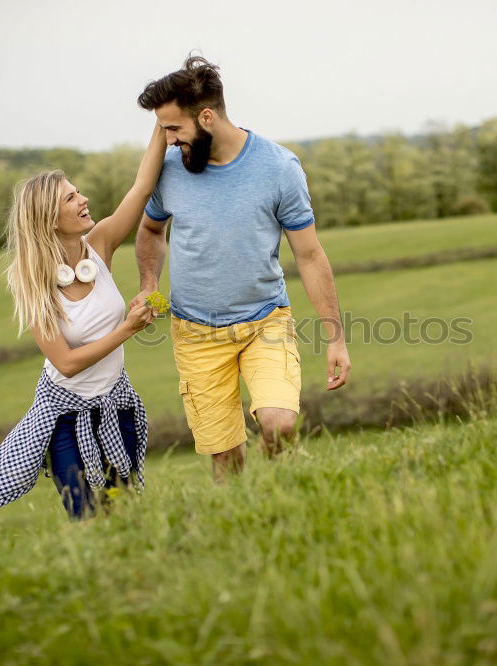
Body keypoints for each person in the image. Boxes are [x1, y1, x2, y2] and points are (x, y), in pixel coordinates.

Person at [134, 56, 351, 482]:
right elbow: (150, 231)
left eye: (173, 129)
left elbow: (309, 255)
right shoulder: (169, 169)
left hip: (264, 322)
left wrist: (336, 338)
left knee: (280, 425)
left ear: (207, 117)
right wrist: (148, 285)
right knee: (226, 459)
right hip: (194, 332)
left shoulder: (278, 168)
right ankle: (245, 524)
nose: (165, 141)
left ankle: (288, 502)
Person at [0, 126, 166, 524]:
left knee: (126, 512)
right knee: (87, 516)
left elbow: (141, 189)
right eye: (71, 198)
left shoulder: (101, 244)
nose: (83, 199)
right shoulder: (32, 280)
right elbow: (67, 363)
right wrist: (128, 328)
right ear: (47, 218)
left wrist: (161, 124)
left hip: (114, 404)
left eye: (78, 191)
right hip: (66, 419)